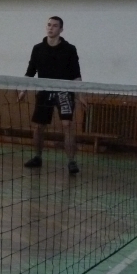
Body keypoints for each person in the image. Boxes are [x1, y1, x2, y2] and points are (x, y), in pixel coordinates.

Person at [17, 16, 83, 175]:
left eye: (54, 26)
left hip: (64, 91)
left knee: (67, 125)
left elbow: (76, 75)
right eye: (49, 25)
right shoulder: (38, 48)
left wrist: (80, 95)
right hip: (44, 91)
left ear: (61, 29)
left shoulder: (69, 49)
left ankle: (71, 161)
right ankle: (37, 157)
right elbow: (30, 72)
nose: (51, 28)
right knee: (39, 126)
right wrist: (23, 90)